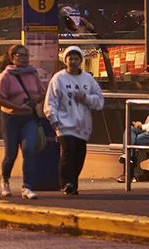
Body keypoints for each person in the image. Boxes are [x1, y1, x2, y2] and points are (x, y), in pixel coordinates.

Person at [44, 46, 106, 196]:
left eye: (76, 58)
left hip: (82, 124)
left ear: (81, 61)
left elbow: (99, 101)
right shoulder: (58, 78)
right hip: (65, 123)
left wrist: (85, 98)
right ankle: (66, 183)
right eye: (70, 58)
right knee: (68, 152)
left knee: (80, 154)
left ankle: (73, 183)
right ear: (65, 60)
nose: (73, 61)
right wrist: (53, 117)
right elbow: (51, 101)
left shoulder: (87, 79)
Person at [0, 44, 45, 199]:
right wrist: (16, 106)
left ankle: (27, 187)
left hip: (28, 117)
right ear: (12, 57)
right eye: (20, 55)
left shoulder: (33, 73)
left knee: (29, 150)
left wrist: (35, 100)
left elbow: (41, 92)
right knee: (11, 153)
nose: (24, 59)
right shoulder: (6, 75)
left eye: (26, 56)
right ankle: (5, 180)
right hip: (11, 118)